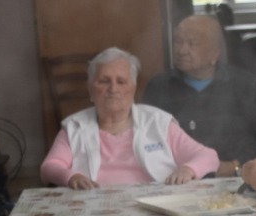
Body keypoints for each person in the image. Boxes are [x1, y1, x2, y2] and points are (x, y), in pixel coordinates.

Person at [40, 48, 219, 190]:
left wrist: (188, 169)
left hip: (154, 207)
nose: (113, 89)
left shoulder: (158, 122)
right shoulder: (74, 127)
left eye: (121, 81)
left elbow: (208, 156)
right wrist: (71, 176)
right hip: (93, 212)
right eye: (104, 81)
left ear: (133, 88)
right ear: (90, 89)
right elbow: (50, 166)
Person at [143, 15, 256, 177]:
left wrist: (235, 165)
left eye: (192, 43)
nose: (182, 50)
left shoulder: (243, 84)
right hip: (178, 180)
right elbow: (145, 140)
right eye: (178, 42)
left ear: (214, 53)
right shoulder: (159, 87)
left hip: (234, 178)